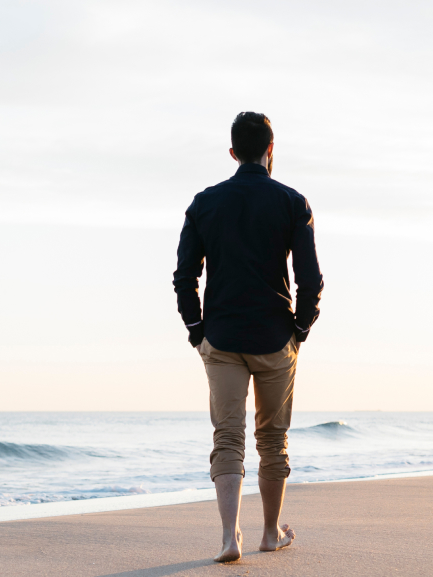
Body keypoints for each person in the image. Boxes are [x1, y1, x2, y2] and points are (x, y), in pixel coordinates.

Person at [172, 111, 323, 563]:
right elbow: (310, 278)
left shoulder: (205, 202)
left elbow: (184, 276)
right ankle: (271, 532)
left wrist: (196, 329)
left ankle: (228, 538)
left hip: (221, 338)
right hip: (276, 338)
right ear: (271, 150)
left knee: (228, 437)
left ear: (234, 152)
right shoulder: (292, 202)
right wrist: (301, 328)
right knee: (272, 439)